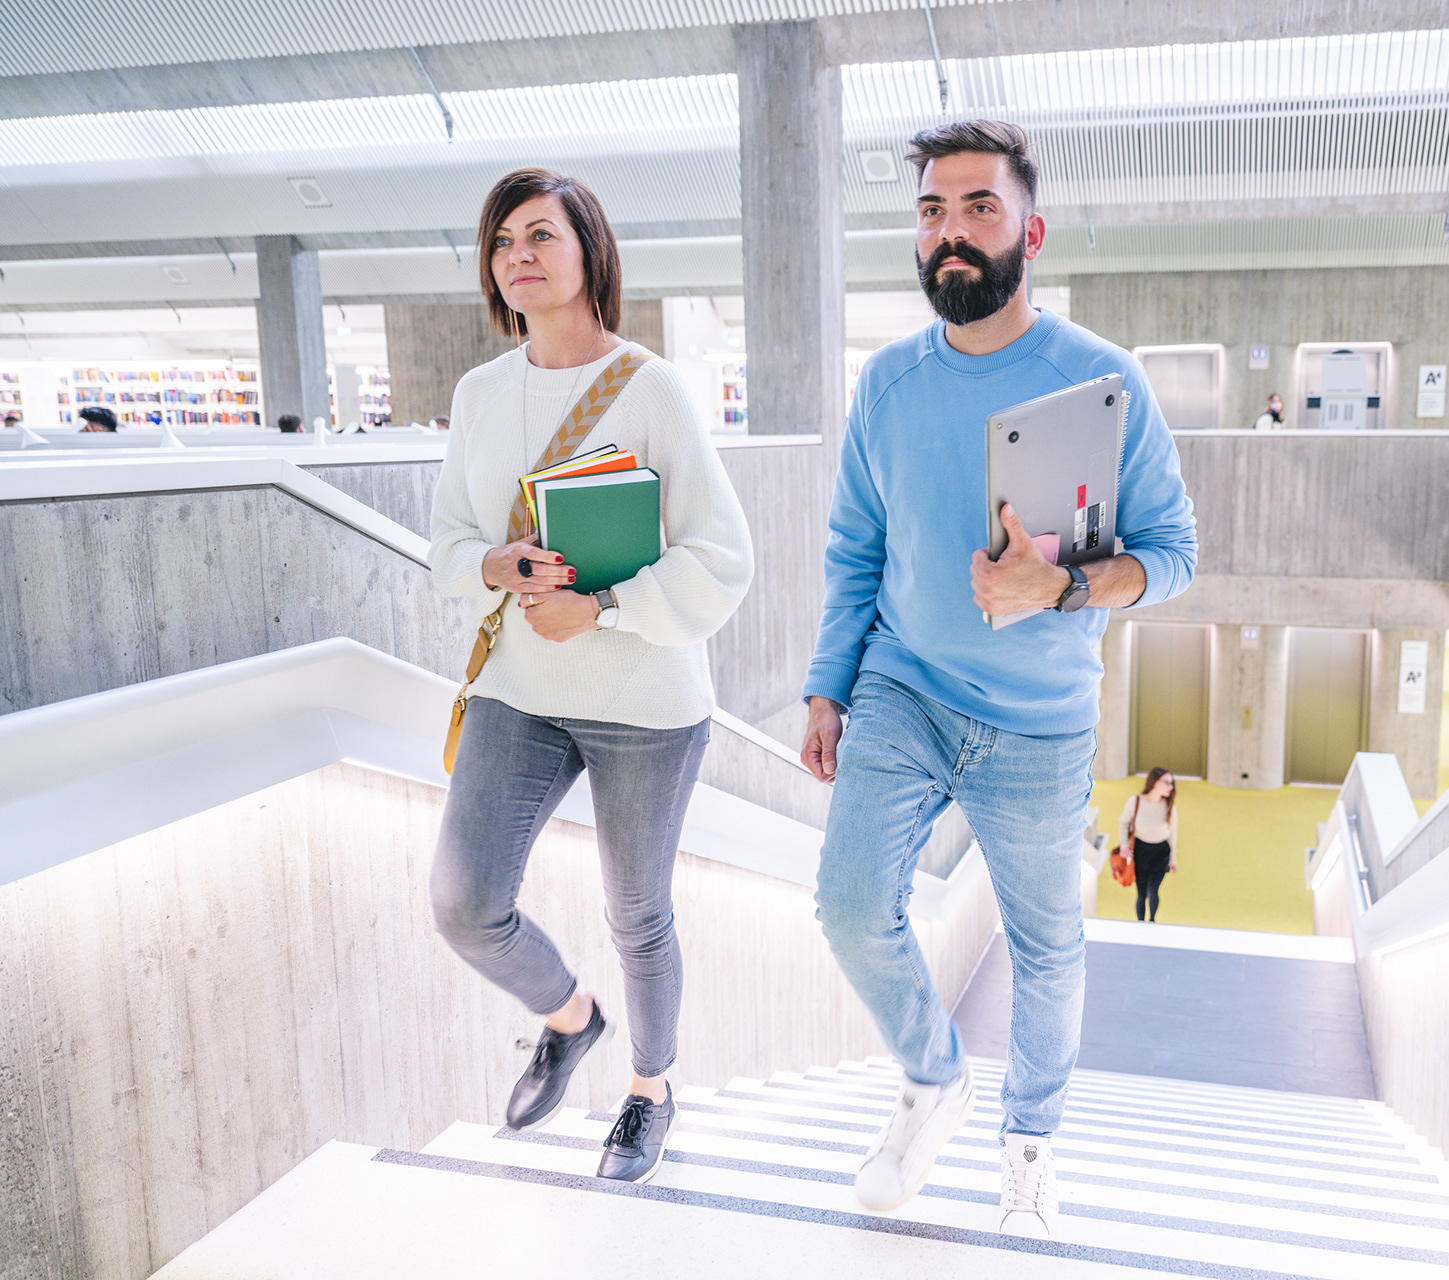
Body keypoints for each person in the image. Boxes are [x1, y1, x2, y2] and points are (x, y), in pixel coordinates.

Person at [801, 119, 1197, 1239]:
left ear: (1031, 230)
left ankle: (1030, 1143)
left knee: (1047, 948)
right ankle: (935, 1078)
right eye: (933, 210)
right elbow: (856, 549)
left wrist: (1061, 588)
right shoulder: (886, 383)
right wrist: (828, 687)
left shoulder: (1102, 383)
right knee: (847, 903)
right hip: (904, 688)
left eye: (979, 208)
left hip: (1039, 724)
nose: (952, 232)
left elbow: (1173, 555)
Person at [427, 167, 753, 1185]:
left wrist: (601, 607)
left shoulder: (652, 389)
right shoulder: (479, 395)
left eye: (540, 235)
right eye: (501, 241)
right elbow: (447, 542)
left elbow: (723, 557)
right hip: (518, 689)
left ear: (588, 252)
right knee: (464, 900)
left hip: (644, 701)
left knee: (636, 913)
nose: (517, 256)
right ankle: (571, 1018)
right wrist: (495, 563)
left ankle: (651, 1088)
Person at [1118, 768, 1178, 922]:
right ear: (1155, 782)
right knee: (1141, 893)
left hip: (1161, 853)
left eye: (1171, 783)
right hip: (1140, 852)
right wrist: (1124, 845)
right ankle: (1140, 923)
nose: (1171, 787)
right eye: (1166, 782)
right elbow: (1123, 823)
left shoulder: (1170, 806)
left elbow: (1173, 834)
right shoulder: (1135, 802)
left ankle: (1152, 921)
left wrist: (1173, 860)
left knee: (1153, 890)